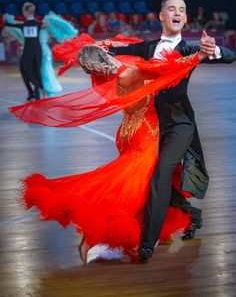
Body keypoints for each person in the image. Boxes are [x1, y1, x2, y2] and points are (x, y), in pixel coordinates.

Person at [10, 32, 209, 265]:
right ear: (104, 55)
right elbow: (165, 70)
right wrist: (199, 56)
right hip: (147, 132)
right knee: (135, 188)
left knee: (158, 180)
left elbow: (108, 49)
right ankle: (93, 237)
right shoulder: (130, 71)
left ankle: (165, 225)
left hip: (128, 131)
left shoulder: (105, 78)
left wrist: (104, 47)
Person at [107, 0, 236, 260]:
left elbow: (230, 56)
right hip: (153, 125)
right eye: (171, 8)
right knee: (151, 177)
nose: (177, 12)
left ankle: (147, 243)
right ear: (162, 16)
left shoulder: (191, 50)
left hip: (180, 124)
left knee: (161, 172)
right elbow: (117, 53)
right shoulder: (149, 47)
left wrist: (215, 50)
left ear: (185, 18)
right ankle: (192, 214)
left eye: (182, 9)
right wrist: (97, 51)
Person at [3, 10, 78, 97]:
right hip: (33, 52)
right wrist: (8, 20)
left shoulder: (46, 28)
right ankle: (41, 90)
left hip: (44, 53)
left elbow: (60, 31)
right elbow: (18, 32)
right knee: (35, 71)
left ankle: (48, 90)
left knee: (46, 70)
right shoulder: (30, 28)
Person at [3, 3, 44, 100]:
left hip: (29, 51)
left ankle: (33, 92)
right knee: (34, 70)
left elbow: (7, 24)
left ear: (25, 12)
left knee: (25, 70)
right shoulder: (39, 24)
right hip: (37, 51)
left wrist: (5, 18)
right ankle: (34, 92)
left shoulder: (24, 24)